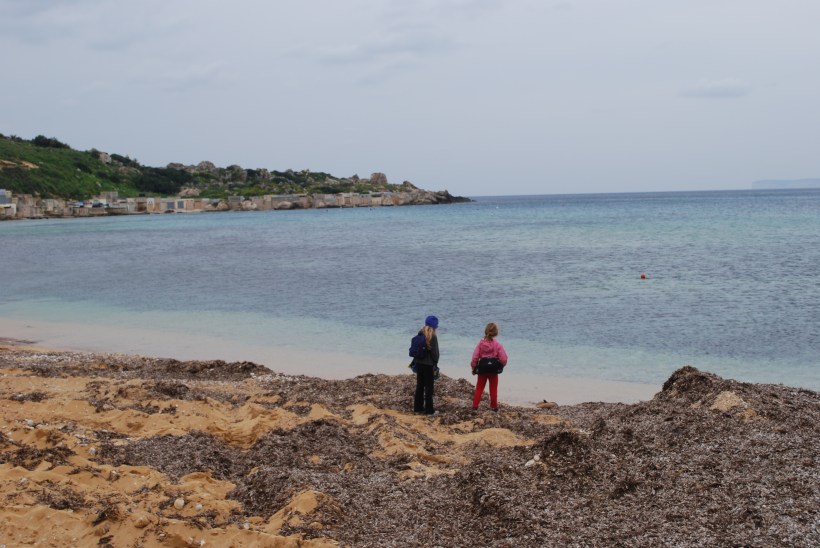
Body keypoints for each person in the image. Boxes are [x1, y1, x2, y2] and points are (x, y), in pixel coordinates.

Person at [470, 322, 508, 412]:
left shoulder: (480, 344)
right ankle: (494, 407)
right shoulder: (497, 344)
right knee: (493, 389)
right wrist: (501, 365)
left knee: (479, 388)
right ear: (496, 333)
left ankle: (475, 407)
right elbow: (504, 358)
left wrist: (473, 368)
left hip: (482, 369)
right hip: (493, 370)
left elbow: (475, 357)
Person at [413, 315, 440, 416]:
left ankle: (417, 408)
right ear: (434, 326)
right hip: (428, 365)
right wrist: (436, 362)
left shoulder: (420, 333)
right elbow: (435, 353)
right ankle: (429, 411)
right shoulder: (433, 336)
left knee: (419, 386)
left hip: (419, 363)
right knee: (429, 388)